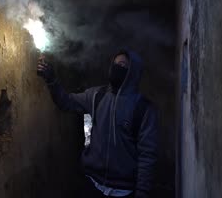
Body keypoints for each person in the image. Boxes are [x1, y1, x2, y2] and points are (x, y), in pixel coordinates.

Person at [37, 50, 158, 198]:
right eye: (114, 64)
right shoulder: (97, 95)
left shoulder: (143, 108)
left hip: (124, 191)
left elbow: (147, 154)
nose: (116, 68)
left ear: (133, 71)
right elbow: (66, 102)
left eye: (122, 65)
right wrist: (51, 80)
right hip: (92, 184)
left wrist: (142, 191)